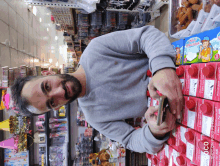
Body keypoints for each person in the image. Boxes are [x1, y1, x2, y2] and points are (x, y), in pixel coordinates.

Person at [11, 26, 183, 154]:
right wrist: (154, 131)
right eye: (52, 102)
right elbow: (130, 140)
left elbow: (146, 36)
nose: (59, 93)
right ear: (55, 109)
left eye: (47, 86)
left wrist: (162, 69)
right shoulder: (94, 117)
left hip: (185, 69)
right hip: (182, 111)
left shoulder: (96, 50)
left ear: (48, 73)